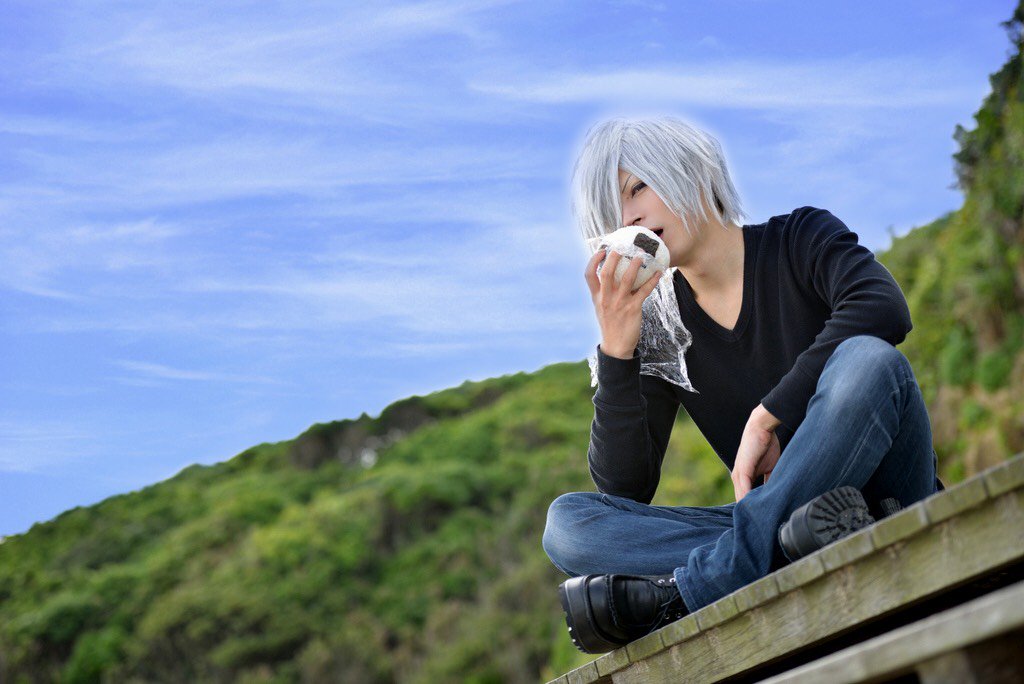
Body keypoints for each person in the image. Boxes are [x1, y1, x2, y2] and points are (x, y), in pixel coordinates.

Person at [541, 116, 944, 654]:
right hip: (796, 526)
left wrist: (769, 415)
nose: (628, 216)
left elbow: (882, 307)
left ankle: (698, 584)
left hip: (891, 494)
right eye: (612, 210)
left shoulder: (798, 238)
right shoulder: (660, 327)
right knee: (567, 525)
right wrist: (618, 349)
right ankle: (784, 544)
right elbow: (625, 489)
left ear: (693, 170)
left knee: (869, 361)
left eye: (638, 187)